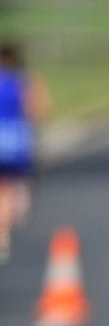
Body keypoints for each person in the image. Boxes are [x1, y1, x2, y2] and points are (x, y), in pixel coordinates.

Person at [0, 41, 51, 262]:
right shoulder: (24, 81)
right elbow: (39, 109)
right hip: (15, 141)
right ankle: (3, 232)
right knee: (12, 189)